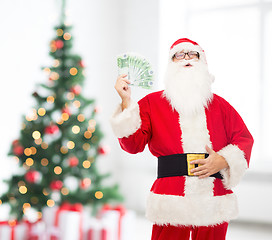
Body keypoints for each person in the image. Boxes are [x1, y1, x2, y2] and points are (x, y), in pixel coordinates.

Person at [110, 38, 254, 240]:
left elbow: (244, 139)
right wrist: (126, 103)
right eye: (180, 54)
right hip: (171, 199)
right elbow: (133, 145)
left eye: (192, 54)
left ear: (203, 62)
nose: (186, 58)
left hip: (213, 198)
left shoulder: (222, 106)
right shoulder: (152, 103)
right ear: (170, 64)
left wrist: (223, 160)